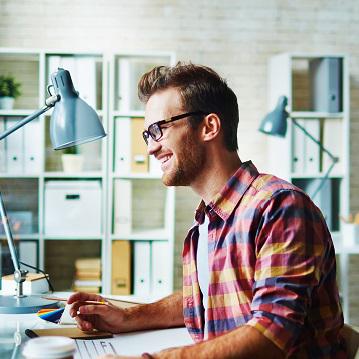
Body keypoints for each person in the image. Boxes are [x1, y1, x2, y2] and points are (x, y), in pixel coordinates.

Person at [68, 63, 346, 358]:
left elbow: (271, 334)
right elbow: (206, 296)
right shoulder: (208, 219)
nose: (151, 148)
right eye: (147, 135)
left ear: (209, 127)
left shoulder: (279, 207)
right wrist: (129, 317)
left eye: (158, 130)